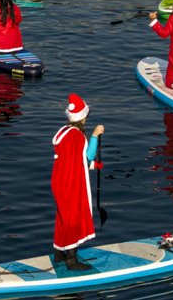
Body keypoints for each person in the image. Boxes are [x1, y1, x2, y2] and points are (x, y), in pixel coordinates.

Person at [51, 93, 105, 271]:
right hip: (72, 183)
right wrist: (96, 136)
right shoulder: (77, 136)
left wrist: (93, 165)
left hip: (59, 180)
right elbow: (87, 155)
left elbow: (73, 160)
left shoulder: (63, 132)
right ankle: (71, 260)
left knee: (62, 216)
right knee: (74, 217)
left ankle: (59, 252)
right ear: (82, 116)